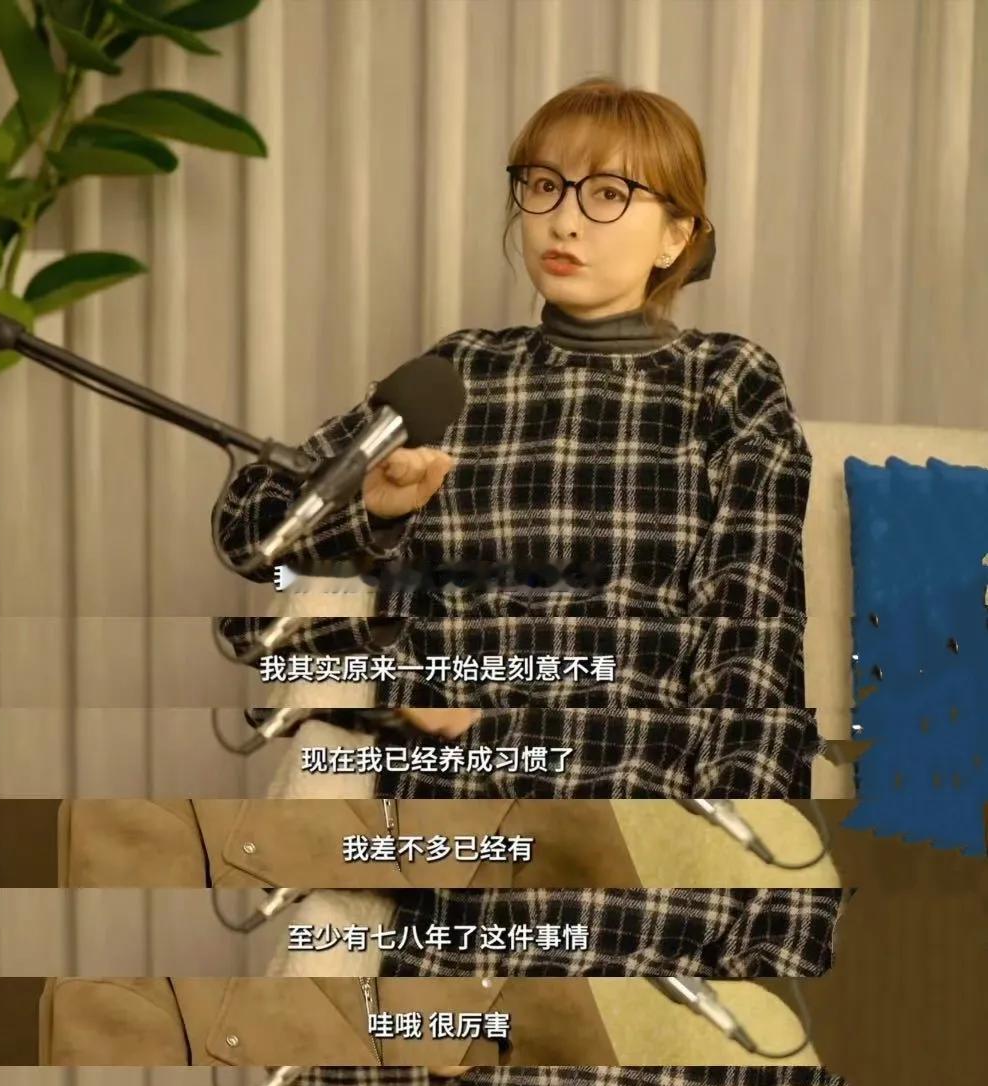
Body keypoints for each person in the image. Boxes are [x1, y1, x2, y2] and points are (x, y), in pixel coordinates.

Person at [216, 77, 816, 798]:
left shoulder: (726, 383)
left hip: (644, 790)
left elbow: (751, 634)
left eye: (608, 193)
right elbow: (248, 532)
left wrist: (733, 825)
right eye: (545, 186)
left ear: (676, 235)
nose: (564, 222)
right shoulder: (458, 373)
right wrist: (366, 510)